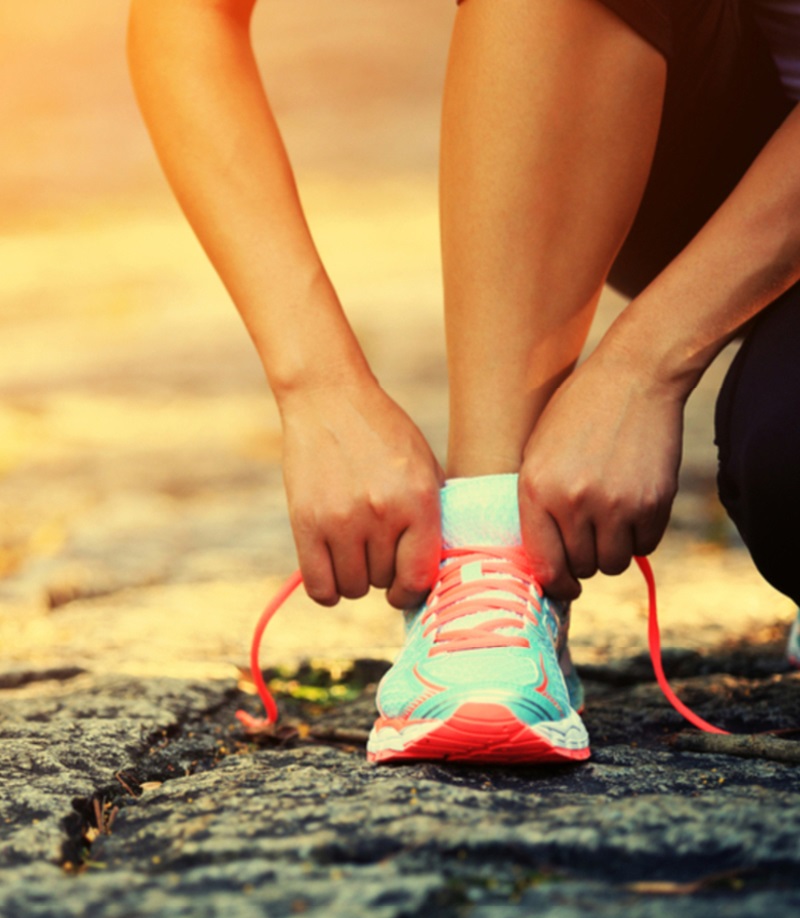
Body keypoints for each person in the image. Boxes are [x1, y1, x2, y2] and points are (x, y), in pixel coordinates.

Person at [128, 0, 800, 764]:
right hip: (712, 129)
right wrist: (318, 387)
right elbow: (183, 19)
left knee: (786, 467)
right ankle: (493, 541)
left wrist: (645, 364)